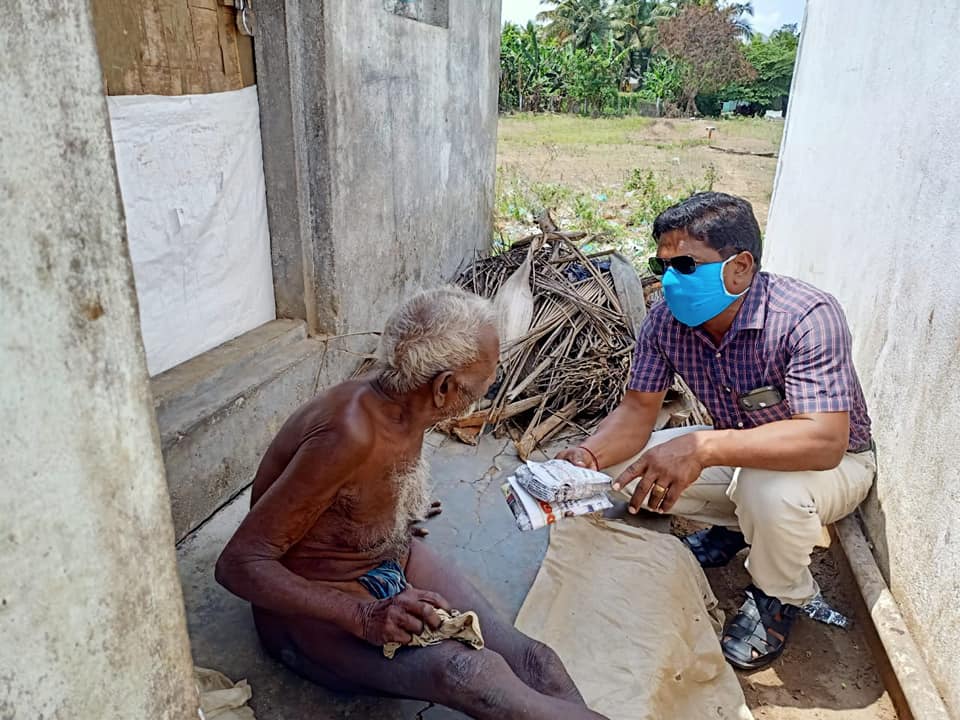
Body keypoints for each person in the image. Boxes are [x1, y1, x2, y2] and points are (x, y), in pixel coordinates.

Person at [216, 287, 605, 720]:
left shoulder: (404, 400)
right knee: (469, 672)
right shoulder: (349, 434)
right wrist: (362, 615)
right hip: (315, 610)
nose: (488, 391)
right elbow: (238, 564)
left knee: (538, 663)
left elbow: (359, 491)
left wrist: (391, 509)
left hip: (387, 561)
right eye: (484, 383)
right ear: (442, 387)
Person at [559, 192, 875, 671]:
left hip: (832, 465)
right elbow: (636, 413)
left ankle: (778, 596)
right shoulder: (666, 322)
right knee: (620, 468)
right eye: (661, 264)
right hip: (740, 452)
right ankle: (736, 530)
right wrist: (586, 456)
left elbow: (824, 441)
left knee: (768, 492)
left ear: (741, 267)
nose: (669, 280)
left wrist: (704, 444)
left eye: (686, 264)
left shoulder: (806, 315)